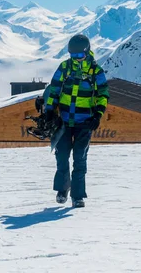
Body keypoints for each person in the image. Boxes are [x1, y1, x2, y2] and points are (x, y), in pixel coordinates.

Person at [44, 34, 109, 208]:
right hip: (64, 121)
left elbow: (103, 95)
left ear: (87, 53)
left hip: (85, 121)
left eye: (79, 56)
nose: (76, 59)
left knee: (80, 158)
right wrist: (50, 110)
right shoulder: (64, 67)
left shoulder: (96, 71)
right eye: (73, 55)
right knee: (62, 156)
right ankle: (62, 189)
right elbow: (54, 90)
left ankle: (77, 196)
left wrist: (97, 115)